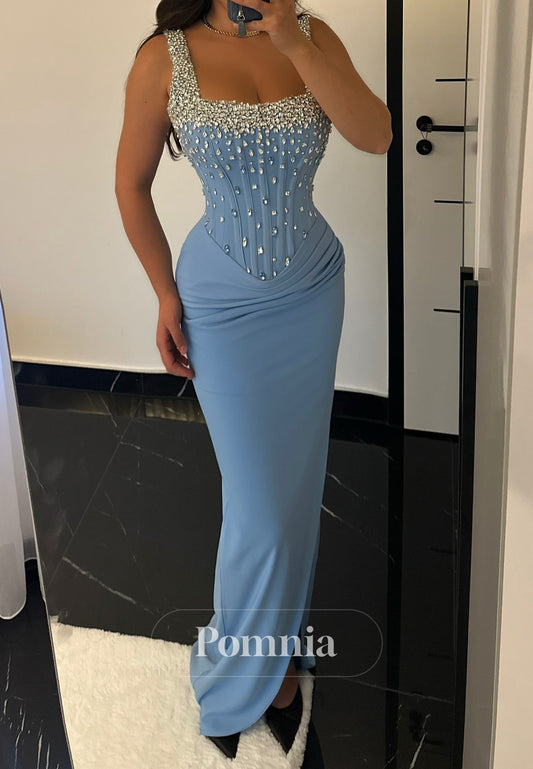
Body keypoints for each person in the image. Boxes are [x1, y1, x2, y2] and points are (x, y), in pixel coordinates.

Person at [115, 0, 392, 760]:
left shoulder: (312, 34)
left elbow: (376, 134)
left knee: (296, 488)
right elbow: (131, 185)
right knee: (260, 505)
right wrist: (164, 293)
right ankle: (244, 671)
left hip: (312, 293)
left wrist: (293, 41)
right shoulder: (163, 57)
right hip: (221, 306)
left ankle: (279, 661)